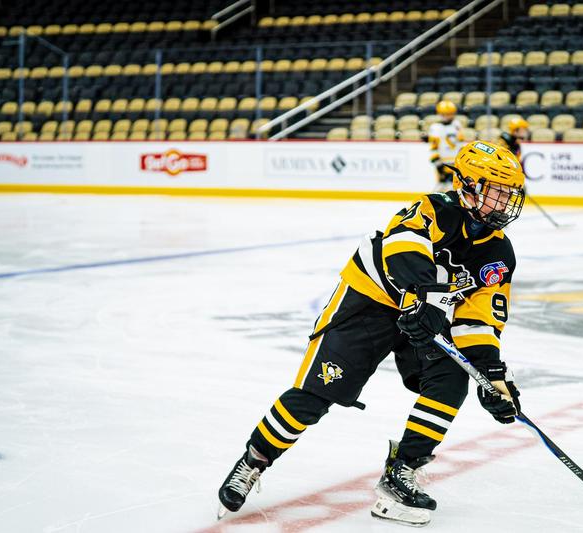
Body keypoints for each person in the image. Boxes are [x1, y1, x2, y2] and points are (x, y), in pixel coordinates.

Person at [217, 140, 526, 527]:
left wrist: (492, 375)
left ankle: (402, 469)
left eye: (509, 193)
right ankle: (254, 460)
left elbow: (478, 320)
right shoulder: (432, 209)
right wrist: (425, 298)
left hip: (424, 313)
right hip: (368, 302)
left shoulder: (499, 253)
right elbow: (403, 247)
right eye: (497, 191)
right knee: (316, 395)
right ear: (466, 185)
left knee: (451, 381)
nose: (505, 202)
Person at [427, 100, 464, 191]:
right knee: (441, 187)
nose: (449, 116)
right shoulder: (435, 128)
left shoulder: (457, 124)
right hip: (443, 162)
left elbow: (460, 143)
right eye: (446, 114)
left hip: (456, 162)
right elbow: (433, 147)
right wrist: (438, 163)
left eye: (451, 114)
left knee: (456, 188)